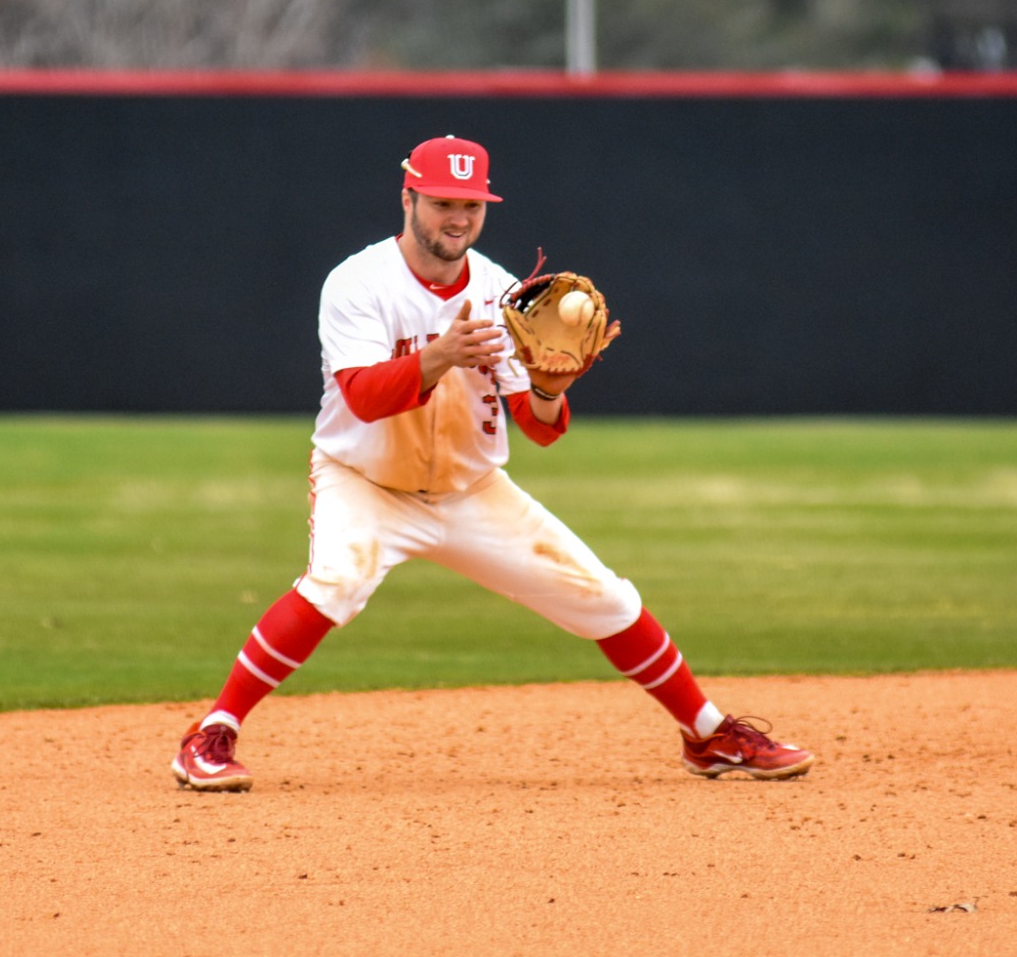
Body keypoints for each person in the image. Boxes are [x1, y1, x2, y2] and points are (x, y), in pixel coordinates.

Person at [172, 135, 812, 791]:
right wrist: (441, 355)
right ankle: (212, 735)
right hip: (365, 481)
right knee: (336, 583)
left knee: (604, 596)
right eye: (443, 202)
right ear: (409, 197)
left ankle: (707, 736)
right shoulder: (357, 282)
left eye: (471, 206)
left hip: (469, 490)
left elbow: (539, 430)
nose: (458, 218)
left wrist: (549, 389)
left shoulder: (505, 294)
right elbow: (362, 398)